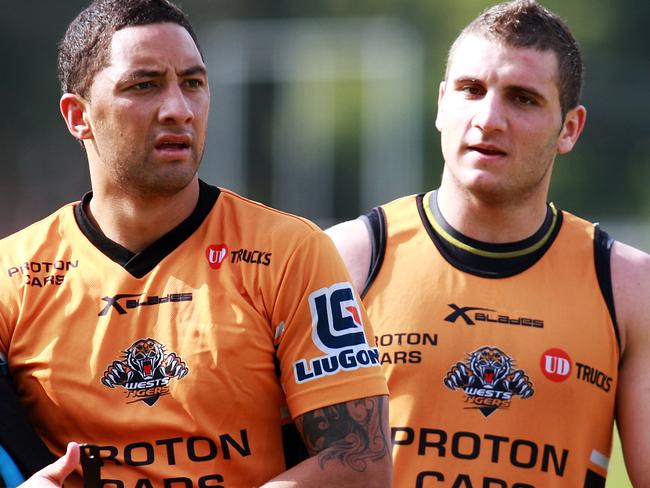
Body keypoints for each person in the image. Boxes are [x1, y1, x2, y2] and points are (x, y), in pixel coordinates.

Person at [1, 0, 392, 486]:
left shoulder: (292, 253)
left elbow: (363, 461)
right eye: (144, 85)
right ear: (77, 116)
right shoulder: (11, 276)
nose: (178, 109)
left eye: (193, 83)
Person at [326, 0, 650, 486]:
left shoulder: (627, 286)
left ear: (570, 128)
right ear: (441, 105)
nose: (489, 118)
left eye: (522, 98)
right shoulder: (346, 259)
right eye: (471, 90)